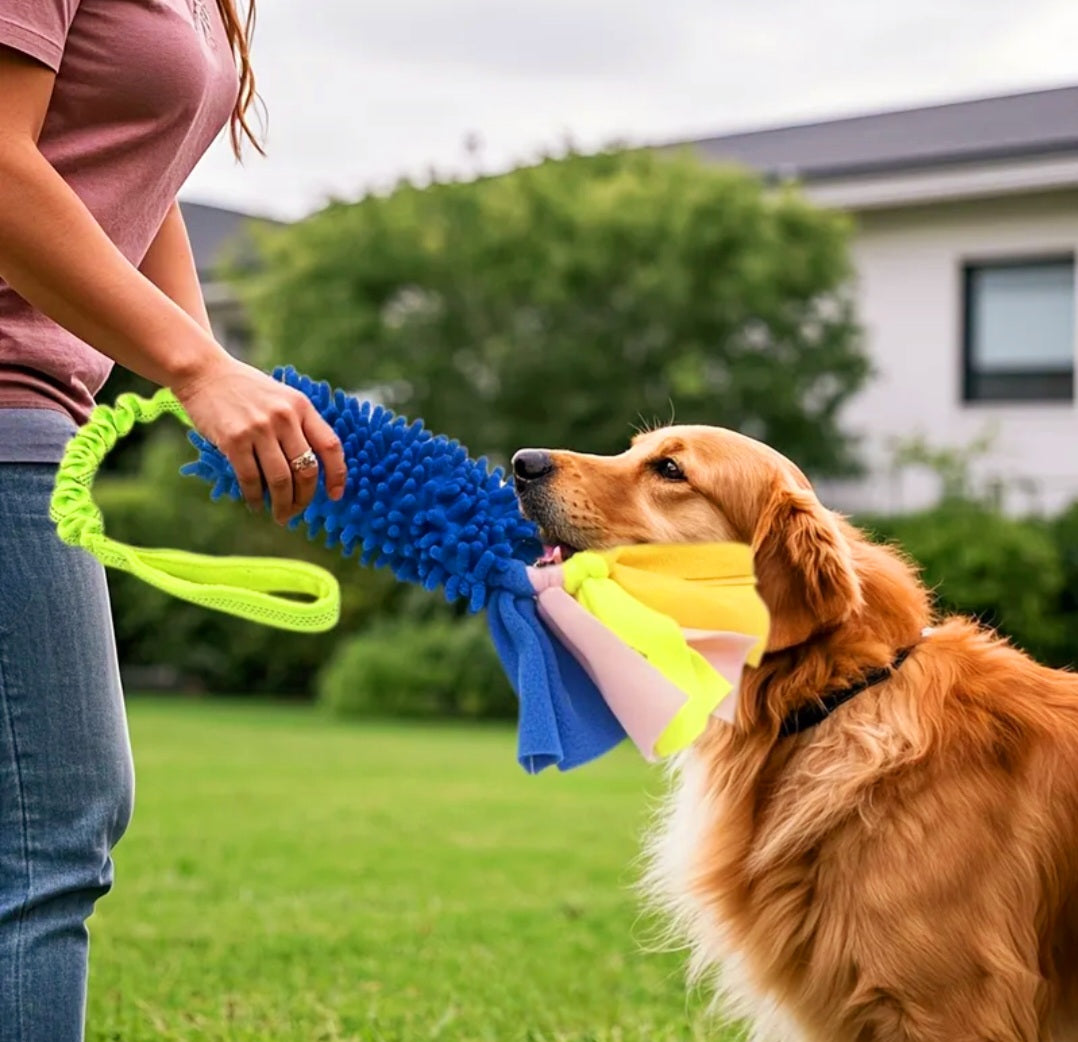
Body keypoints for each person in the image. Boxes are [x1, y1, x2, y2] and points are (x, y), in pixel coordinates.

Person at [0, 2, 346, 1038]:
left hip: (37, 403)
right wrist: (196, 365)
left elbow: (136, 182)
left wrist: (210, 370)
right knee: (49, 834)